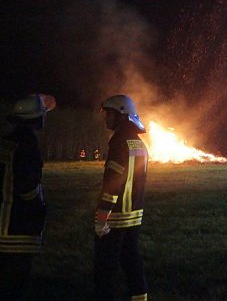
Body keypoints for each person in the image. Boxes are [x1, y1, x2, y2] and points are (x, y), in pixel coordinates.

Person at [0, 93, 56, 300]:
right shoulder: (28, 145)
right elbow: (27, 186)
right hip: (19, 231)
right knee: (17, 287)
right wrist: (39, 208)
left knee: (1, 285)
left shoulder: (4, 143)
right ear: (36, 118)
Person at [94, 94, 149, 301]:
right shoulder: (140, 144)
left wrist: (101, 219)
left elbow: (112, 184)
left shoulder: (119, 143)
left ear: (122, 115)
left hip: (114, 218)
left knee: (104, 268)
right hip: (134, 216)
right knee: (132, 261)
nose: (106, 118)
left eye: (109, 114)